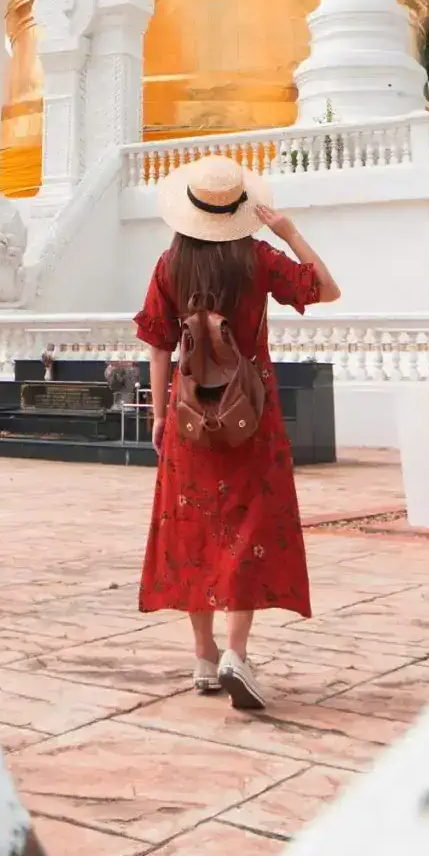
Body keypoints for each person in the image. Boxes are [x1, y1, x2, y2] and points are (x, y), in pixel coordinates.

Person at [134, 154, 341, 712]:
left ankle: (203, 658)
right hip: (250, 414)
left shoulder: (169, 265)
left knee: (191, 531)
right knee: (246, 528)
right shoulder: (257, 259)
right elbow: (326, 289)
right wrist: (289, 231)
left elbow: (157, 345)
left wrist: (157, 415)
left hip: (188, 417)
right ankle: (235, 653)